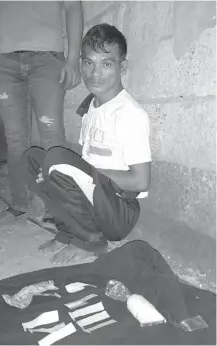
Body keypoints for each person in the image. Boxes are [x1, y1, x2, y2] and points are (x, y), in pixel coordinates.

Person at [22, 23, 152, 265]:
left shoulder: (129, 114)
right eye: (88, 62)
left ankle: (91, 240)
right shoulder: (91, 106)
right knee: (33, 159)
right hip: (94, 197)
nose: (95, 73)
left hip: (118, 210)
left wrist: (89, 172)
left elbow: (141, 181)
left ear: (122, 67)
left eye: (106, 63)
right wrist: (58, 173)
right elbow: (84, 165)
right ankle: (68, 231)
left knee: (56, 161)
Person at [0, 1, 83, 223]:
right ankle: (20, 203)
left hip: (48, 58)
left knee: (53, 136)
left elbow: (73, 6)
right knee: (15, 139)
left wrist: (73, 58)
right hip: (4, 62)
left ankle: (58, 205)